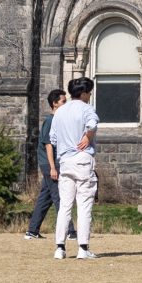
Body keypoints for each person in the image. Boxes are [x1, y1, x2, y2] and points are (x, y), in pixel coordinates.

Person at [49, 75, 100, 260]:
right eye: (89, 92)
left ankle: (60, 247)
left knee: (65, 206)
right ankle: (83, 248)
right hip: (82, 160)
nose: (90, 95)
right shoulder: (87, 109)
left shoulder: (60, 112)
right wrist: (88, 136)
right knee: (84, 204)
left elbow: (53, 138)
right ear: (84, 93)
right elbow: (93, 124)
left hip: (65, 162)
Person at [24, 88, 65, 239]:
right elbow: (48, 145)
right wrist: (53, 167)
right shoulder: (50, 121)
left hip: (52, 163)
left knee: (45, 197)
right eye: (63, 101)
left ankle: (32, 231)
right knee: (59, 197)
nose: (65, 104)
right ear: (55, 104)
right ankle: (71, 232)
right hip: (49, 164)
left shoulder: (58, 120)